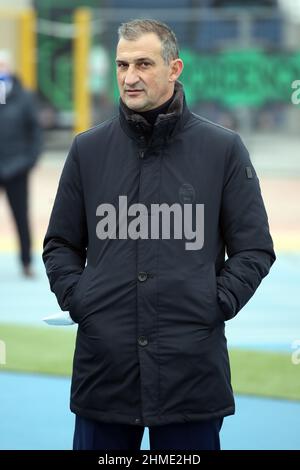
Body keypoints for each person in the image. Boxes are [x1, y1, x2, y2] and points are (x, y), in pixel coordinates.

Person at [42, 19, 276, 450]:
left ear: (174, 68)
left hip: (190, 372)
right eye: (121, 64)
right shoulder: (88, 150)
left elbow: (255, 249)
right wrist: (82, 299)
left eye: (144, 64)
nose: (129, 77)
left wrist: (214, 301)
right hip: (105, 371)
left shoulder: (222, 149)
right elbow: (61, 244)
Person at [0, 50, 42, 277]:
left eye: (2, 65)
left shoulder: (24, 96)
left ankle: (26, 262)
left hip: (17, 167)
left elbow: (35, 131)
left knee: (20, 215)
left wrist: (29, 160)